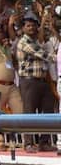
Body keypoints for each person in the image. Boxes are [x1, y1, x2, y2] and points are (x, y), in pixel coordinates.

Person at [16, 13, 57, 152]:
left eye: (33, 25)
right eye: (28, 26)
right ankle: (28, 143)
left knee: (47, 112)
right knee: (29, 112)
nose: (31, 28)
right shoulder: (24, 42)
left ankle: (44, 143)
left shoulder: (36, 41)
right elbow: (43, 55)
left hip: (42, 81)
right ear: (23, 28)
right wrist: (58, 57)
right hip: (29, 81)